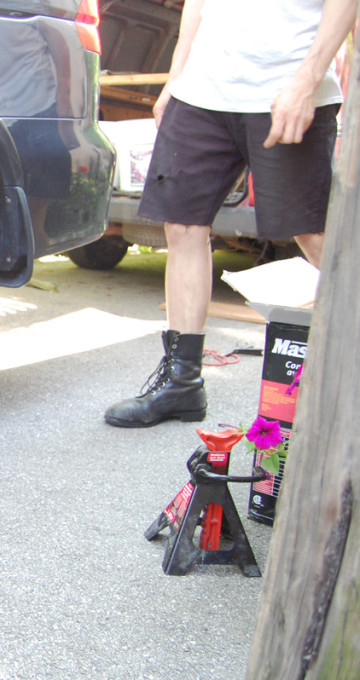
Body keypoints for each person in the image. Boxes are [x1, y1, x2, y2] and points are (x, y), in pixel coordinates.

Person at [105, 0, 356, 429]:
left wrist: (308, 78)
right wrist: (177, 74)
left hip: (287, 87)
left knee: (313, 233)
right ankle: (181, 383)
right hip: (201, 92)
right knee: (182, 226)